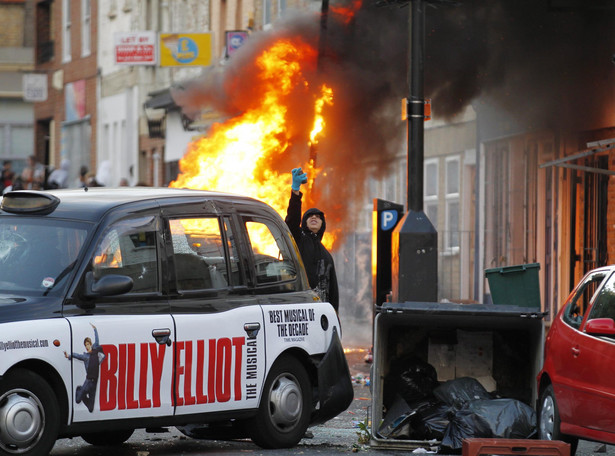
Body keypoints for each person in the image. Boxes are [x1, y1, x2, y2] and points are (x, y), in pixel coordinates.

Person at [285, 167, 339, 312]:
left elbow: (333, 289)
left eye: (318, 216)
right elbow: (291, 221)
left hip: (320, 312)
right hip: (299, 308)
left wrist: (335, 315)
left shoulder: (326, 255)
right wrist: (295, 191)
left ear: (323, 224)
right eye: (310, 216)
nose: (314, 217)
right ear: (304, 222)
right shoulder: (299, 239)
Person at [64, 323, 105, 413]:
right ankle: (79, 389)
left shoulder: (95, 350)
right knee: (78, 400)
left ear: (90, 344)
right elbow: (77, 355)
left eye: (87, 344)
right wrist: (69, 356)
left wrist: (95, 329)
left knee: (91, 409)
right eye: (85, 345)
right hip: (88, 381)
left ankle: (82, 393)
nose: (87, 346)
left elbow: (97, 340)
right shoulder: (85, 356)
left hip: (95, 382)